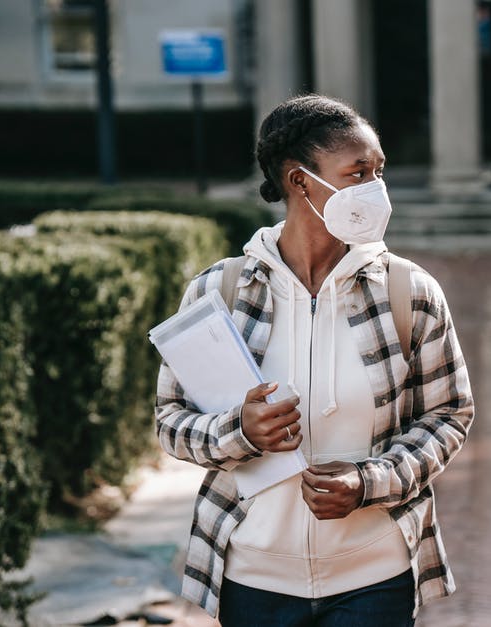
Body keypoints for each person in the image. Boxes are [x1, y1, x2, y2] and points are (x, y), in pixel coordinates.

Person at [155, 94, 474, 626]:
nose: (376, 189)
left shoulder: (408, 291)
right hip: (252, 579)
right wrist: (241, 431)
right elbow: (171, 423)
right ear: (300, 180)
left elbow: (449, 416)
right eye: (359, 172)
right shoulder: (219, 292)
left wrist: (369, 481)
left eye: (379, 171)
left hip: (374, 575)